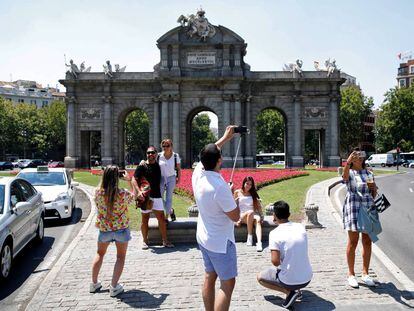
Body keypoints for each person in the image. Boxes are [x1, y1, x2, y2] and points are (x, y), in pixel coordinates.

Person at [192, 125, 240, 311]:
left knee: (209, 276)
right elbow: (235, 216)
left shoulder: (198, 173)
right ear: (219, 160)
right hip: (221, 242)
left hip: (204, 238)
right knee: (227, 286)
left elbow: (207, 154)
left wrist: (224, 138)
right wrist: (234, 197)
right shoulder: (220, 187)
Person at [257, 200, 313, 309]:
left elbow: (275, 261)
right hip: (307, 277)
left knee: (260, 277)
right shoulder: (300, 227)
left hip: (289, 280)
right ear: (289, 214)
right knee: (293, 260)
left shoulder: (274, 234)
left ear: (274, 215)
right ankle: (296, 290)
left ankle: (289, 292)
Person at [91, 165, 134, 297]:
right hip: (121, 229)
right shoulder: (122, 193)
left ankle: (94, 283)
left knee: (100, 254)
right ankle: (114, 286)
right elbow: (134, 196)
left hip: (105, 229)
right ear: (117, 177)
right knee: (120, 257)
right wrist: (129, 180)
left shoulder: (97, 192)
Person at [342, 148, 377, 288]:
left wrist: (373, 187)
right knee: (353, 241)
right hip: (353, 209)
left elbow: (372, 193)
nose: (360, 157)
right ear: (352, 158)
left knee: (367, 241)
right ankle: (351, 274)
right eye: (356, 155)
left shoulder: (368, 173)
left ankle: (365, 273)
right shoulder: (349, 172)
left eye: (361, 155)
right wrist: (348, 162)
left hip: (367, 208)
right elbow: (344, 179)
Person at [132, 146, 174, 249]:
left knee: (161, 219)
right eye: (148, 153)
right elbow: (134, 179)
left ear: (156, 154)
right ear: (146, 154)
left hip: (157, 196)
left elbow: (168, 153)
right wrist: (139, 191)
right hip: (145, 197)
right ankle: (144, 241)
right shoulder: (142, 166)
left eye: (152, 153)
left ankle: (165, 241)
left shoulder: (159, 164)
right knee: (145, 219)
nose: (150, 154)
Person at [234, 176, 264, 251]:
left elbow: (258, 207)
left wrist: (262, 216)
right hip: (242, 215)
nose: (248, 186)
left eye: (250, 184)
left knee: (258, 221)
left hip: (253, 214)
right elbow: (234, 206)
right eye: (247, 183)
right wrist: (236, 220)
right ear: (243, 183)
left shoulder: (253, 193)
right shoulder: (237, 192)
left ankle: (259, 243)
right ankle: (249, 236)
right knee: (250, 213)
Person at [158, 139, 181, 222]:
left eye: (168, 146)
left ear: (171, 146)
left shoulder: (175, 156)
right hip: (161, 178)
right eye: (164, 146)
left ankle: (166, 216)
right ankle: (170, 210)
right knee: (159, 197)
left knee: (169, 198)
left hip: (171, 178)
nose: (165, 147)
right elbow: (150, 162)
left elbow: (178, 168)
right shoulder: (158, 156)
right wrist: (143, 161)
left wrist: (179, 178)